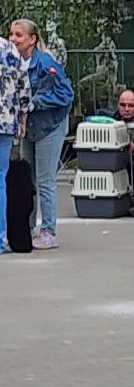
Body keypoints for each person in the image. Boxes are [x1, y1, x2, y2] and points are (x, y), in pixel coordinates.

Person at [10, 18, 73, 251]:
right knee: (28, 180)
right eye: (11, 34)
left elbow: (66, 96)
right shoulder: (14, 63)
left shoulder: (46, 64)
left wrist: (35, 102)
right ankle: (27, 228)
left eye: (19, 35)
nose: (13, 39)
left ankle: (48, 231)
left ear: (32, 39)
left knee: (45, 181)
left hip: (49, 127)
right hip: (28, 128)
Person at [0, 31, 29, 253]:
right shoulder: (10, 49)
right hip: (6, 122)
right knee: (1, 178)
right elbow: (24, 88)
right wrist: (22, 119)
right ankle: (1, 237)